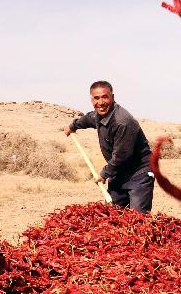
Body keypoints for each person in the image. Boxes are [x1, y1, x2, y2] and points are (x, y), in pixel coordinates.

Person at [64, 80, 155, 213]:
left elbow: (121, 156)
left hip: (139, 174)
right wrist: (73, 126)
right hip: (118, 173)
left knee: (138, 218)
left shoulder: (123, 122)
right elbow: (88, 119)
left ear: (112, 97)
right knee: (112, 215)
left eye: (104, 97)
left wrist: (104, 174)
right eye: (96, 98)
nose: (100, 102)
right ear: (91, 100)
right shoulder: (98, 115)